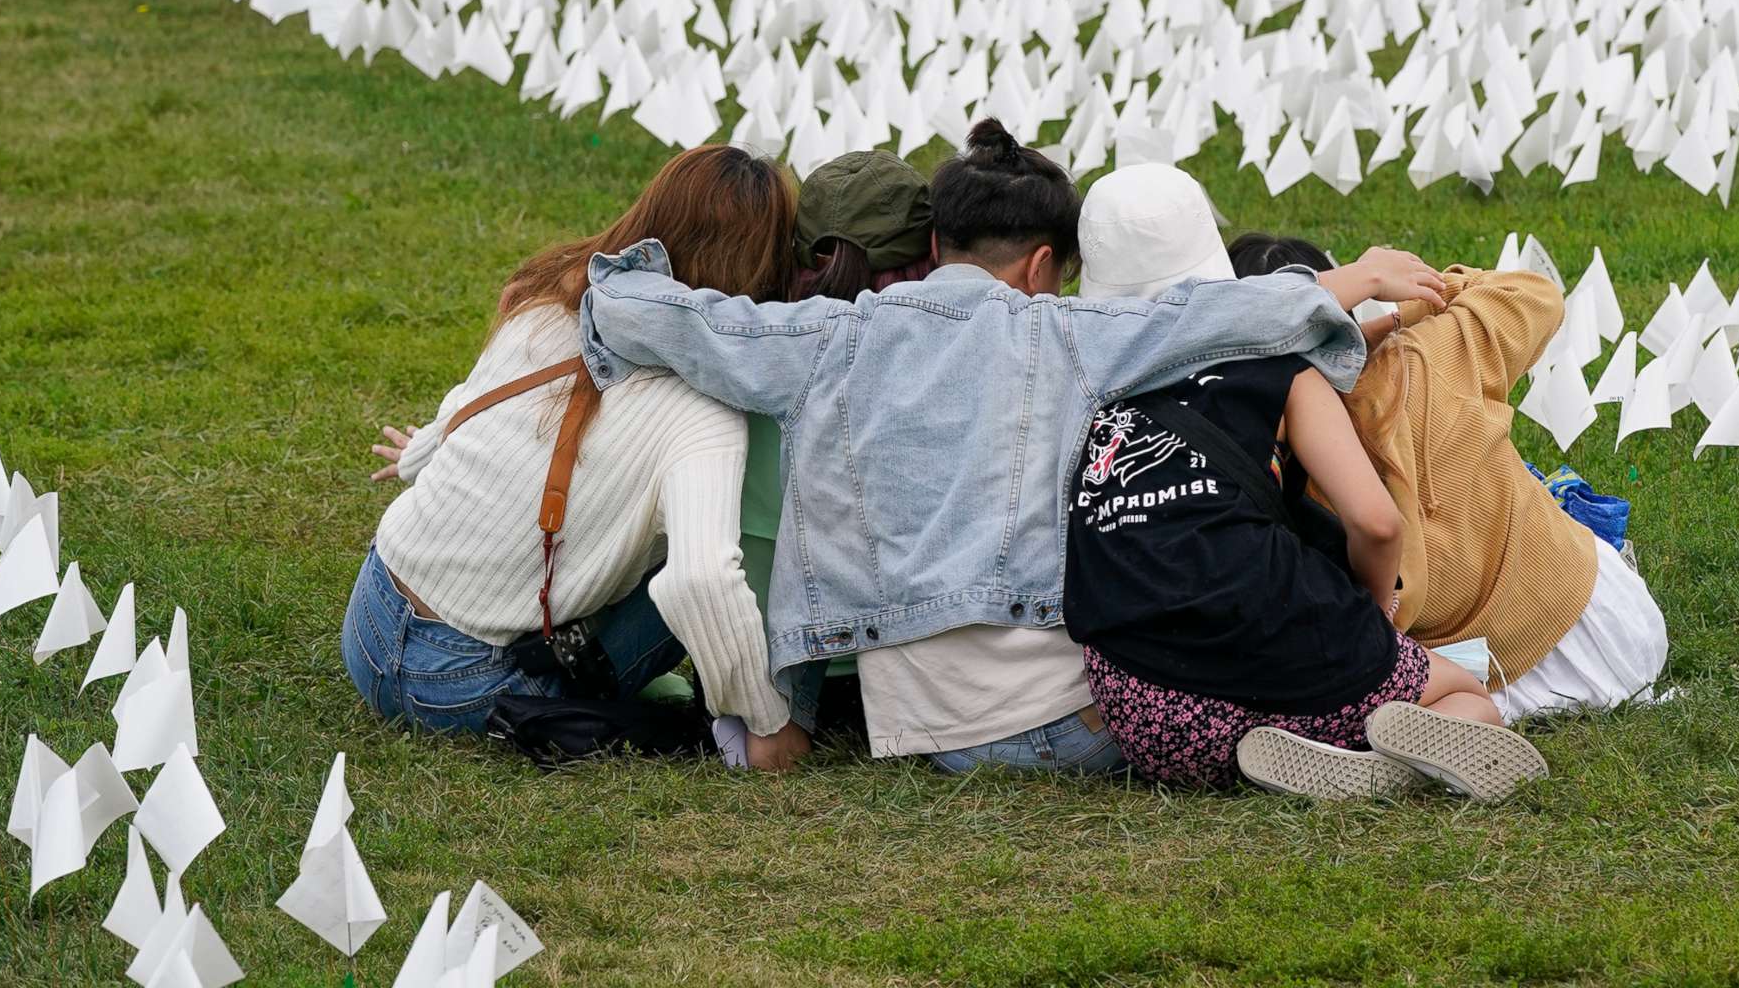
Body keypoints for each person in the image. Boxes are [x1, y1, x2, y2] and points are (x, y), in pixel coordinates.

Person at [575, 119, 1447, 776]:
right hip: (1069, 725)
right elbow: (1204, 314)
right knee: (1239, 643)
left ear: (933, 244)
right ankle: (1340, 722)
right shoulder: (1061, 333)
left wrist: (611, 287)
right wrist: (1357, 278)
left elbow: (692, 322)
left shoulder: (825, 339)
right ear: (1039, 266)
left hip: (916, 733)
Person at [1066, 166, 1550, 801]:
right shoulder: (1282, 372)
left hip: (1146, 719)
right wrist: (1375, 619)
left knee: (1271, 680)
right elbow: (1377, 524)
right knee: (1467, 696)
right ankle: (1382, 762)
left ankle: (1293, 742)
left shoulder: (1091, 386)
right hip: (1278, 635)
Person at [345, 145, 810, 771]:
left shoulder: (549, 302)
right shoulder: (705, 409)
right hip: (463, 689)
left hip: (370, 617)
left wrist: (425, 455)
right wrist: (767, 722)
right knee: (724, 549)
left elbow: (475, 399)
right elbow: (703, 580)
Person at [1231, 234, 1669, 725]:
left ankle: (1387, 729)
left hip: (1477, 672)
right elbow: (1536, 294)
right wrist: (1398, 316)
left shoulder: (1251, 449)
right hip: (1609, 623)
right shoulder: (1433, 352)